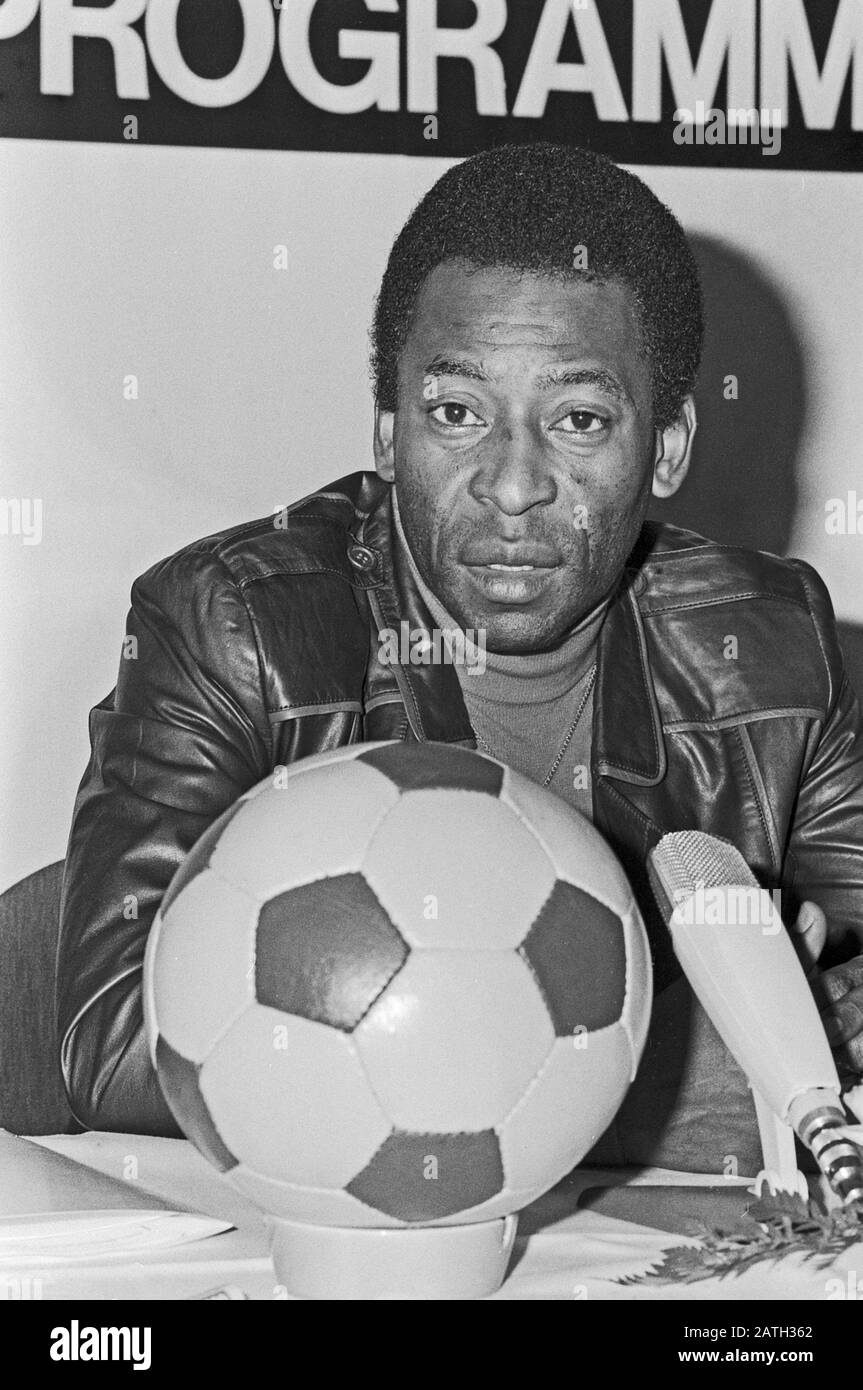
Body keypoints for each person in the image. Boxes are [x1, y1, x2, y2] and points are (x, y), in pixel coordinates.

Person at [57, 144, 863, 1174]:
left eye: (577, 420)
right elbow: (113, 1040)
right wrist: (645, 1081)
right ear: (389, 433)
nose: (513, 484)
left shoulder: (772, 648)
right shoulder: (236, 628)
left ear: (664, 446)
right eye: (456, 413)